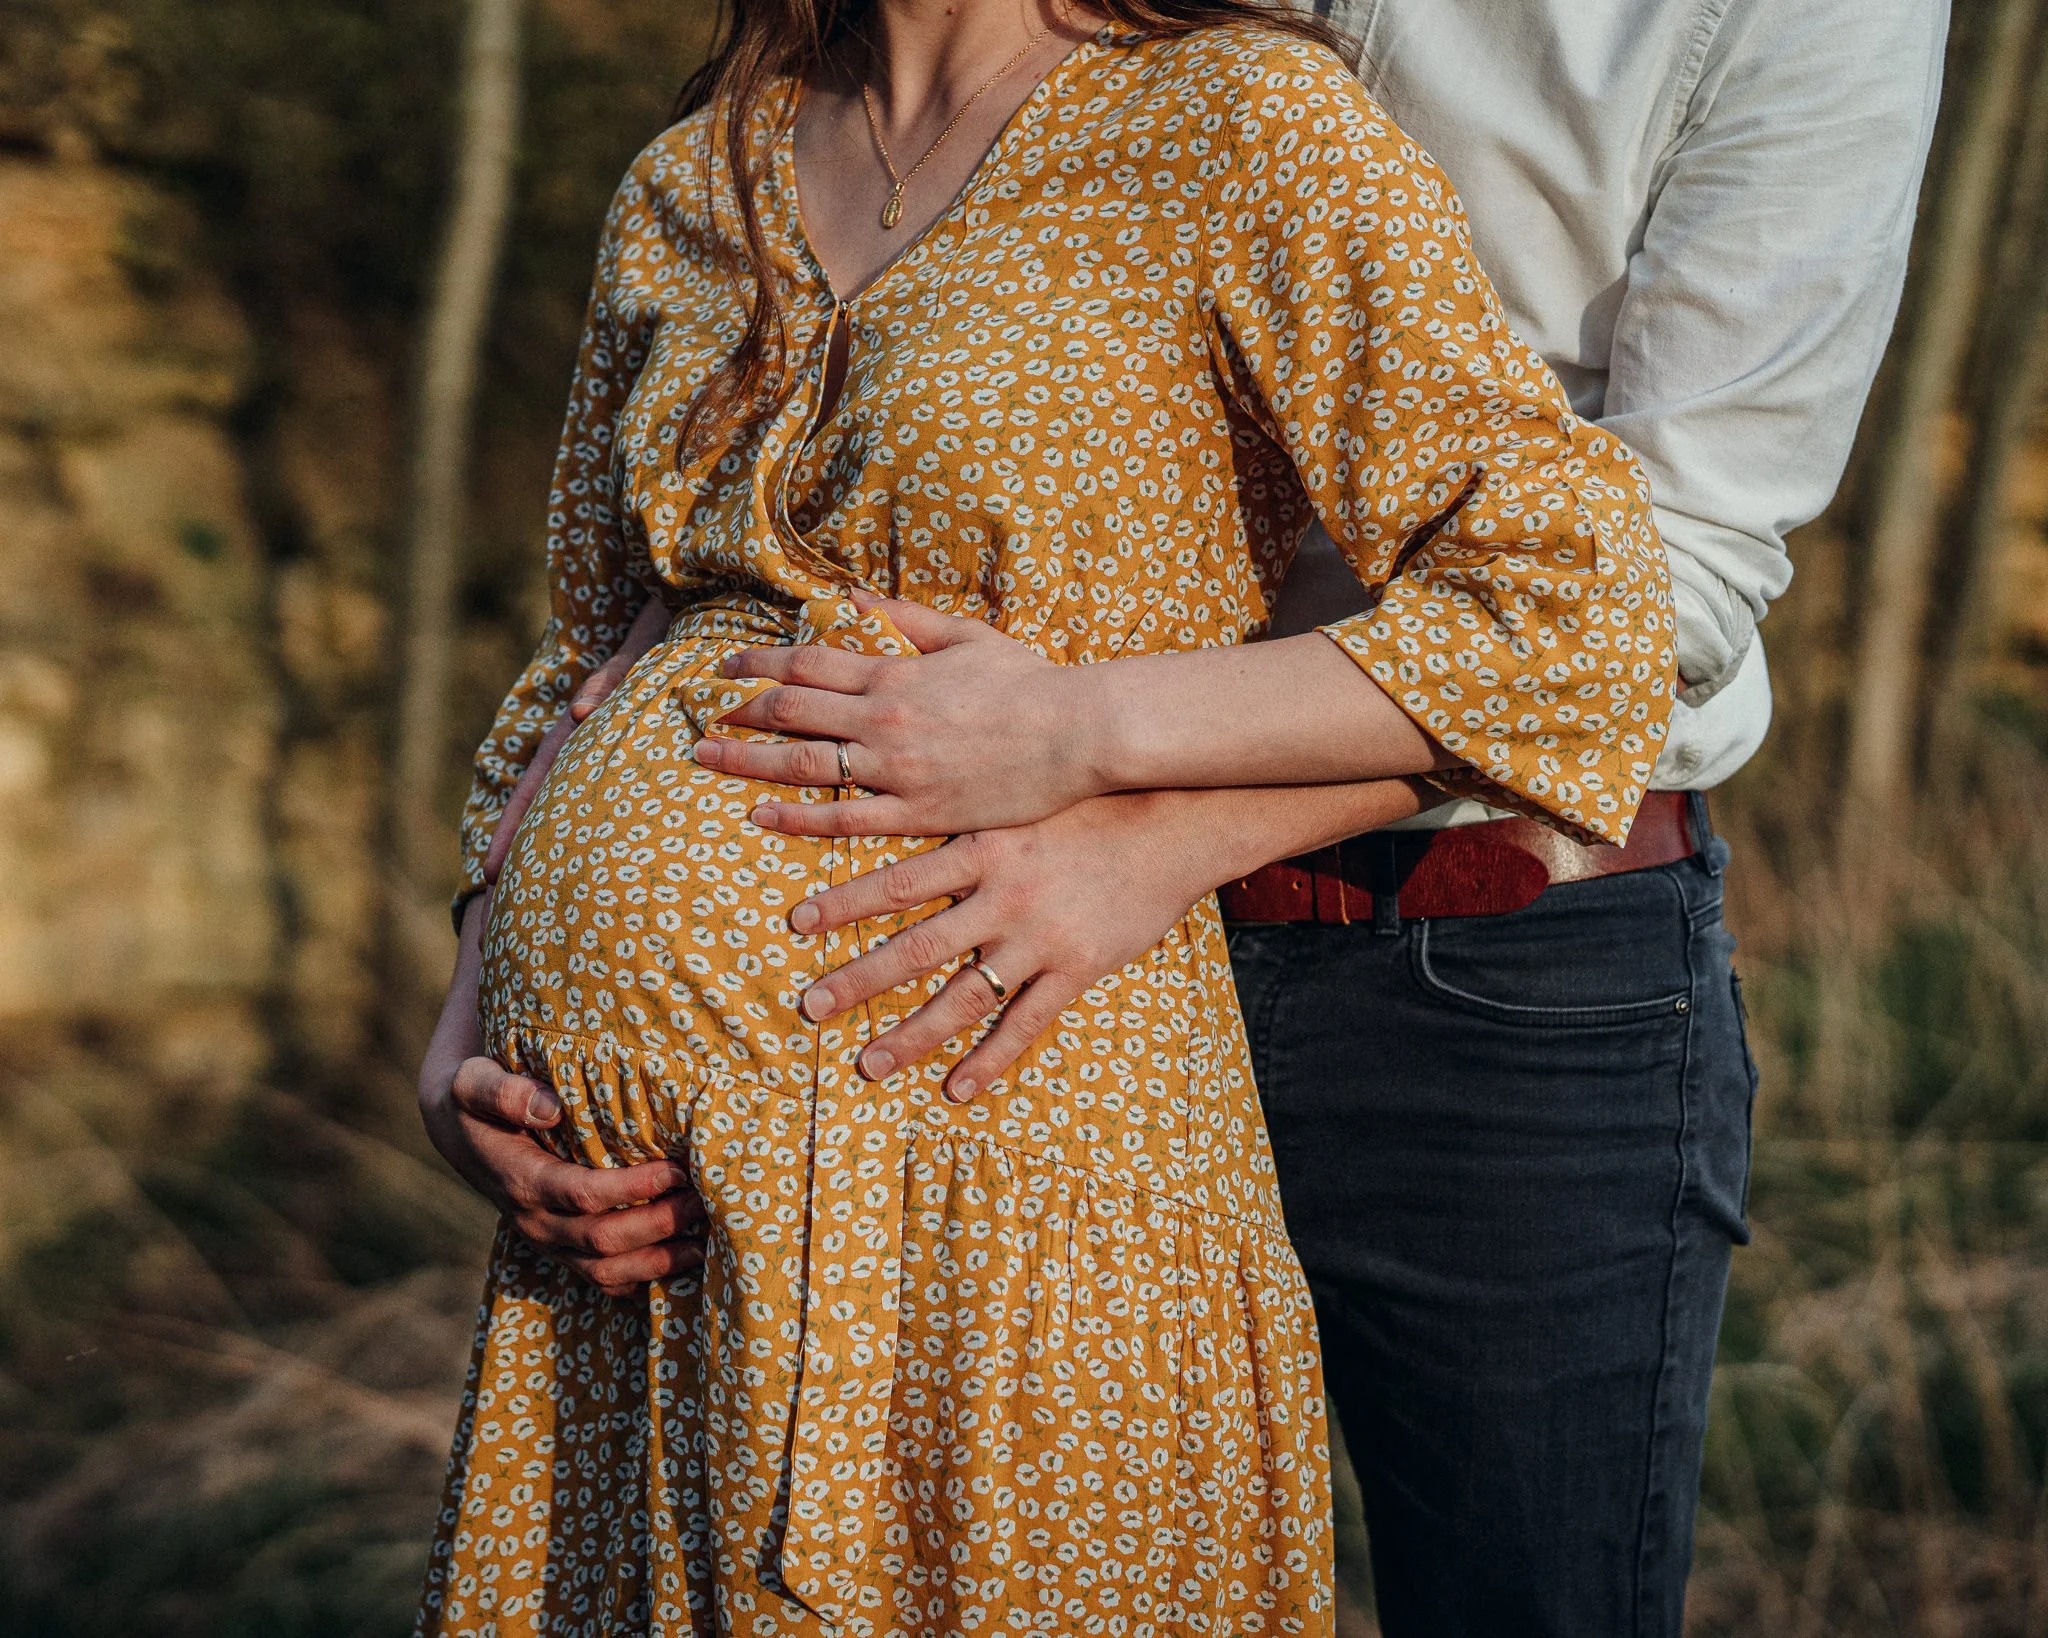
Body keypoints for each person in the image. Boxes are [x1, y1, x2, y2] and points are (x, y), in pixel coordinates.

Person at [413, 0, 1678, 1633]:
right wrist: (463, 1031)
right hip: (630, 1266)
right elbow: (587, 656)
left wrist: (1094, 737)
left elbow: (1570, 619)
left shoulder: (1238, 123)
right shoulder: (689, 177)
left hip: (1008, 1166)